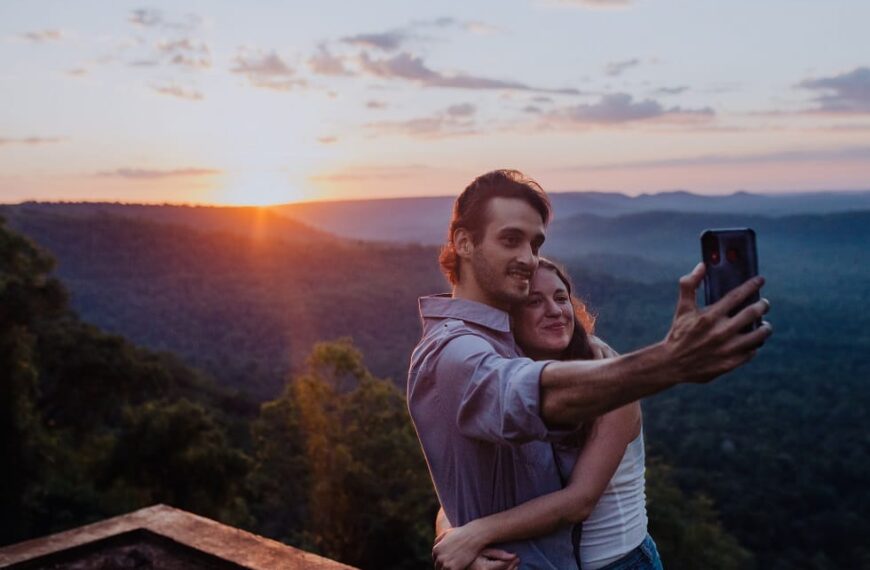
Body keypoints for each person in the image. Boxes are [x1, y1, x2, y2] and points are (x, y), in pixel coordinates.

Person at [407, 169, 771, 568]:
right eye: (511, 239)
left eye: (535, 243)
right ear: (463, 242)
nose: (528, 259)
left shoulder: (521, 347)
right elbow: (526, 395)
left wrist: (464, 535)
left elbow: (467, 483)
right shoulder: (457, 351)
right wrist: (671, 360)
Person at [431, 258, 659, 570]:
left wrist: (477, 534)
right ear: (508, 315)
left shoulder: (608, 381)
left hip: (618, 563)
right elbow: (462, 489)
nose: (554, 310)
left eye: (561, 298)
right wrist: (454, 539)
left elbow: (580, 501)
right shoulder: (504, 389)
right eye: (534, 301)